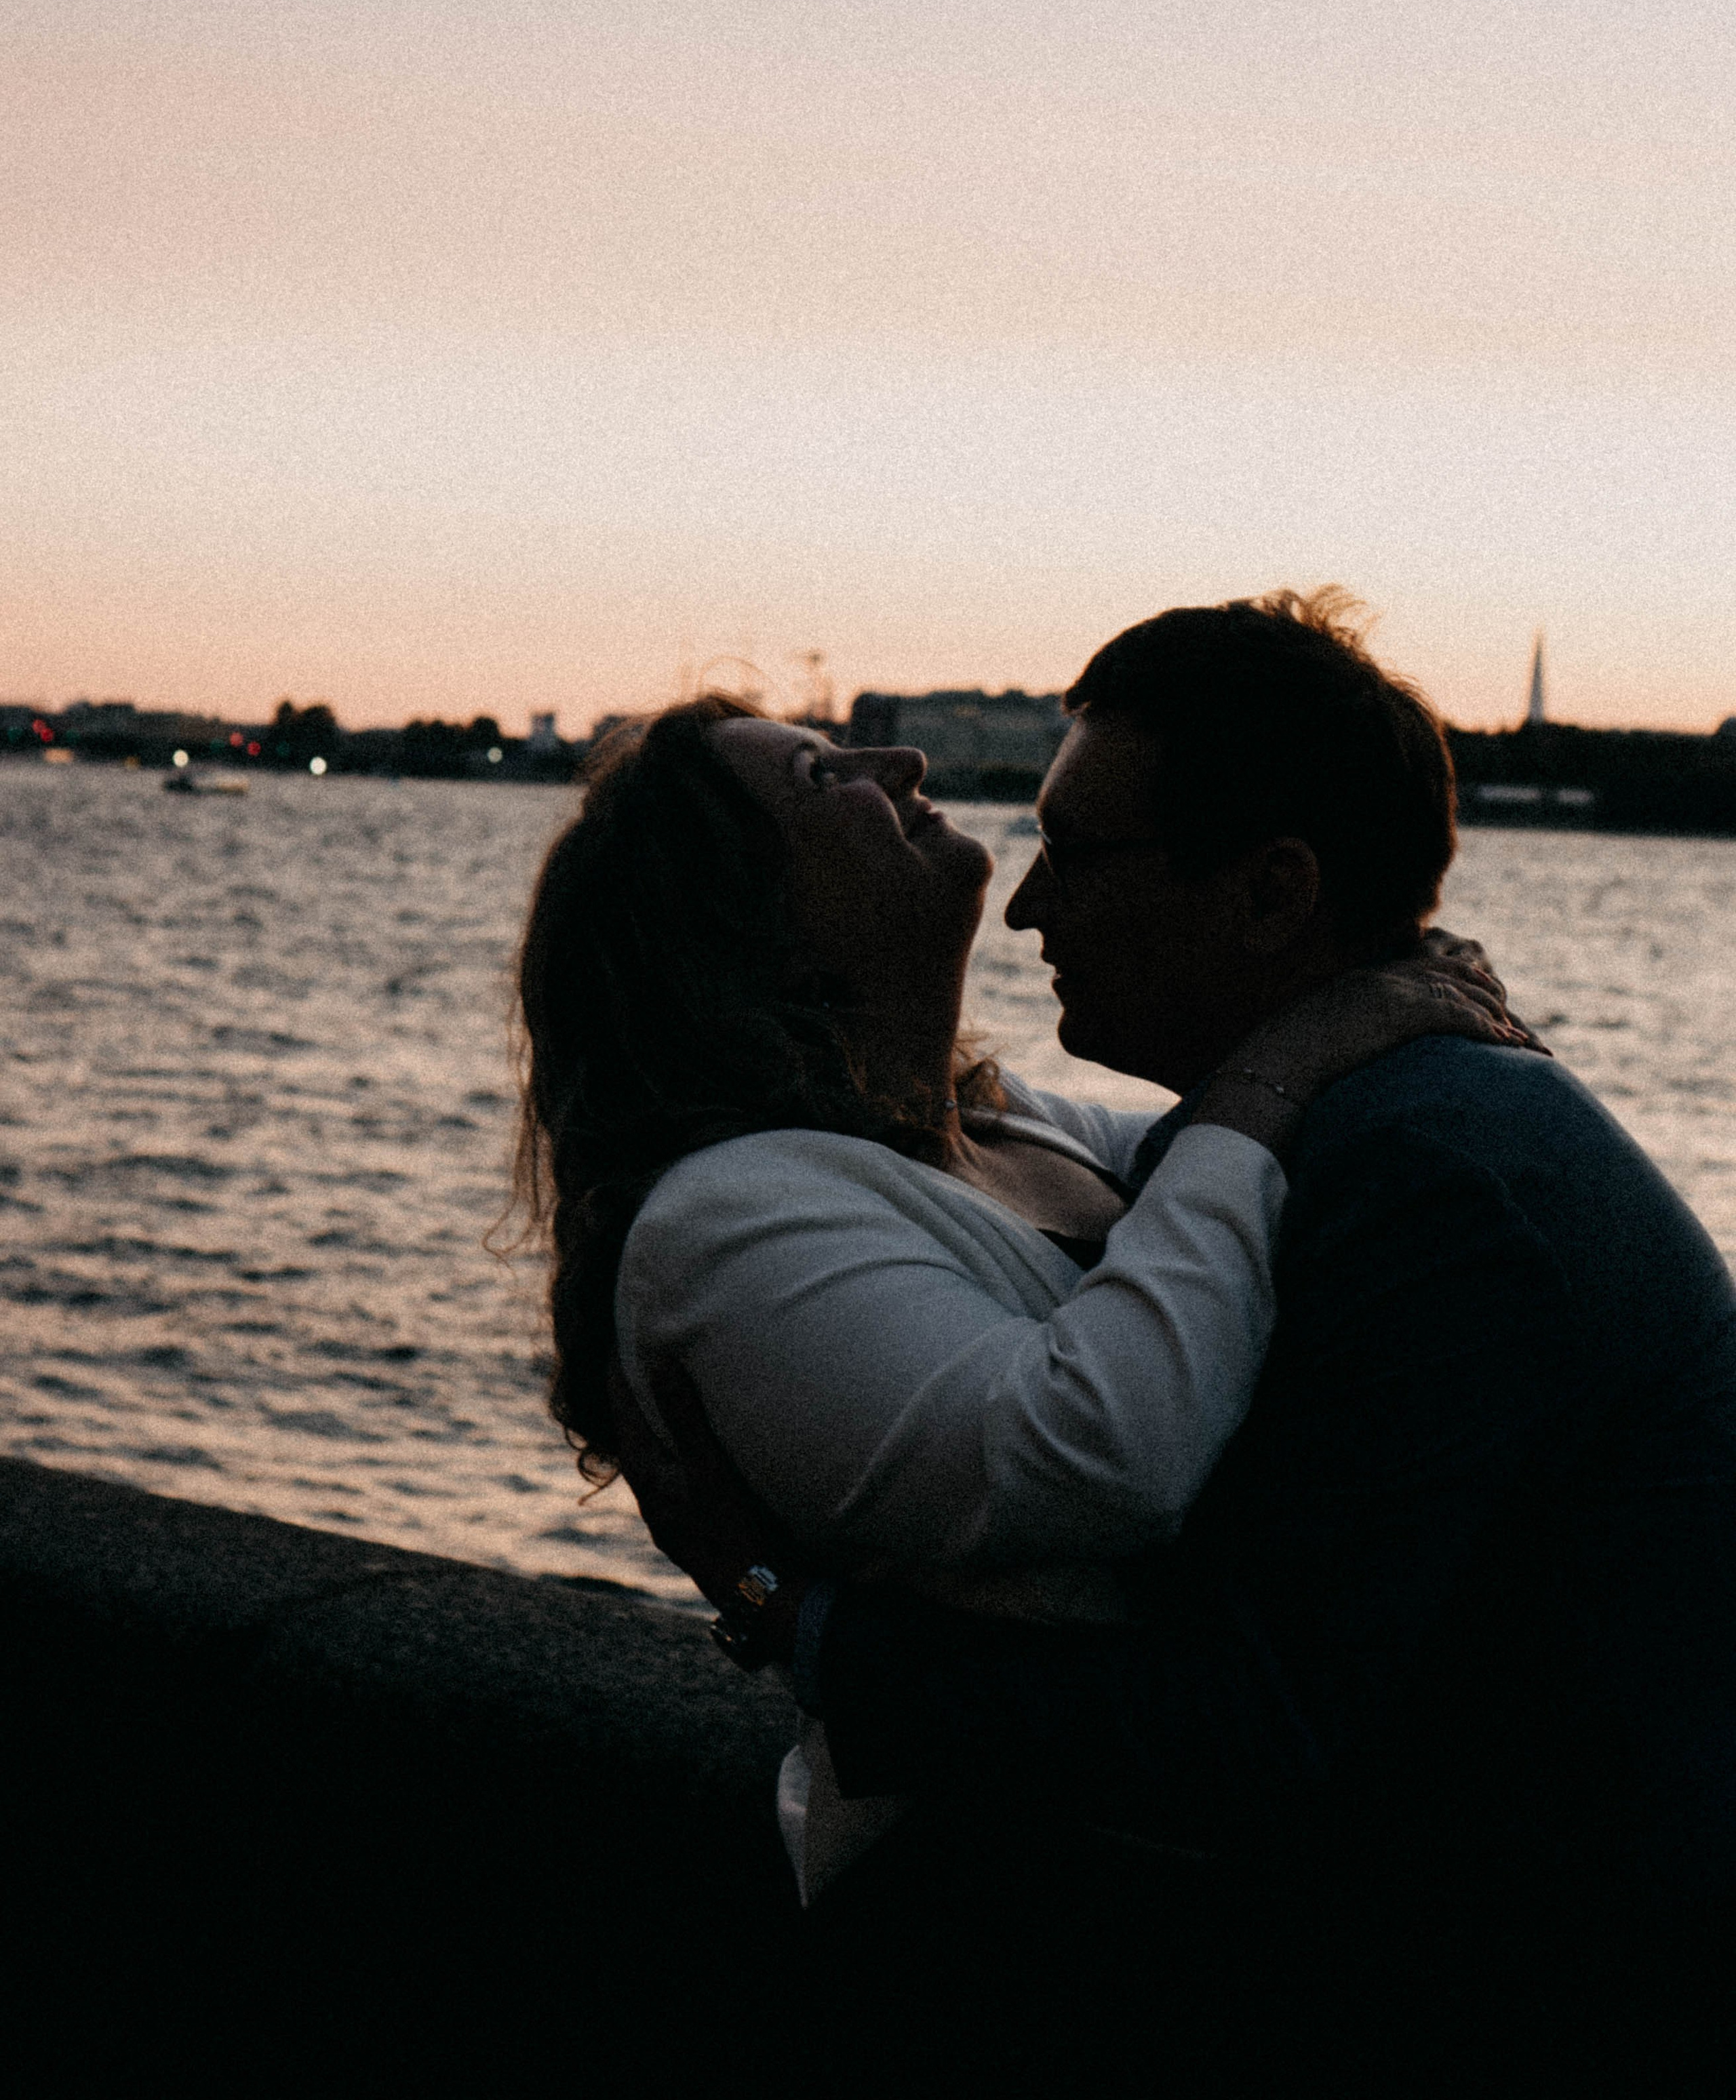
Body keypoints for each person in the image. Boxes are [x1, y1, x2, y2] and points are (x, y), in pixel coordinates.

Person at [620, 595, 1736, 2100]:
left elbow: (1251, 1736)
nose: (1026, 911)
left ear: (1271, 892)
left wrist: (794, 1621)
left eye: (1076, 855)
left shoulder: (1425, 1176)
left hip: (1558, 2023)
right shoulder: (1366, 1131)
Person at [511, 648, 1519, 1915]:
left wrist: (1324, 1041)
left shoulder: (999, 1125)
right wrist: (1283, 1064)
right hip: (1022, 1902)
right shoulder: (728, 1212)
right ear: (740, 924)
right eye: (829, 778)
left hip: (1221, 1843)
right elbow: (1099, 1453)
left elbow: (1252, 1193)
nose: (903, 762)